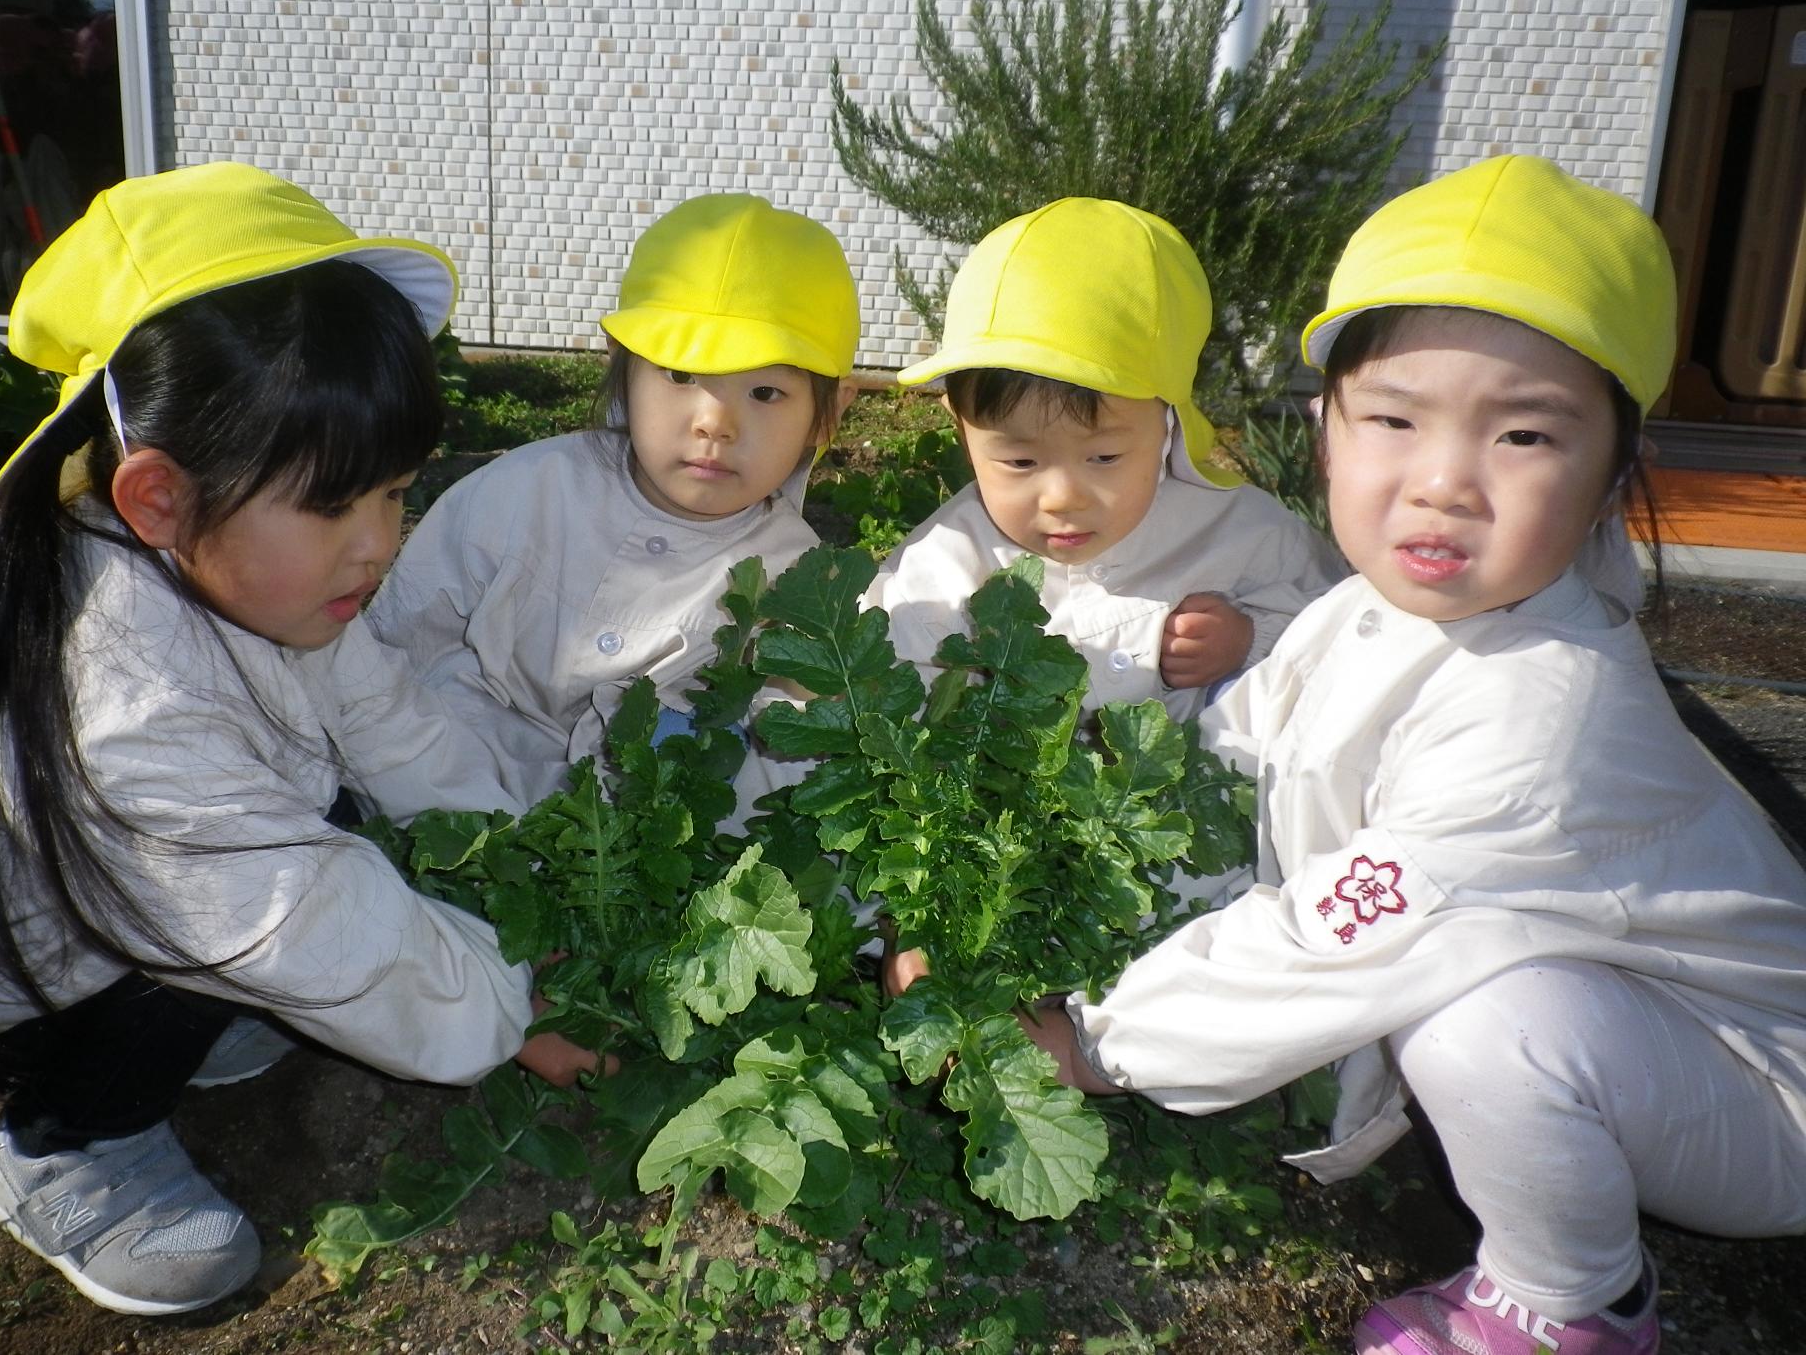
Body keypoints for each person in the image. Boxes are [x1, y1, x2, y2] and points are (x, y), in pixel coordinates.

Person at [998, 155, 1806, 1355]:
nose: (1441, 484)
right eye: (1390, 418)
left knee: (1480, 1023)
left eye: (1522, 433)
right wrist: (1083, 820)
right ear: (1324, 433)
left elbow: (1342, 933)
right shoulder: (1372, 608)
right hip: (1637, 1033)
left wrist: (1091, 1036)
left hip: (1759, 1090)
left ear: (1605, 485)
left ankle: (1569, 1305)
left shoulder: (1548, 714)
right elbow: (1240, 741)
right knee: (1481, 995)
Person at [0, 163, 604, 1318]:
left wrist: (521, 852)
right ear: (158, 497)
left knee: (313, 817)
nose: (378, 543)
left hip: (61, 882)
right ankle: (69, 1150)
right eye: (338, 505)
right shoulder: (128, 716)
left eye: (395, 491)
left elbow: (383, 718)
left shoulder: (232, 560)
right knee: (271, 887)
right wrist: (514, 1004)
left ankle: (183, 1015)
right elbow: (316, 921)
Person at [369, 192, 858, 800]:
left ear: (828, 414)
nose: (714, 422)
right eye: (679, 376)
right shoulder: (521, 492)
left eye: (764, 393)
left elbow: (788, 757)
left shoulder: (802, 588)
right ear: (622, 367)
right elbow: (396, 646)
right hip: (445, 792)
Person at [865, 197, 1345, 724]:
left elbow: (1340, 634)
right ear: (963, 431)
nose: (1062, 497)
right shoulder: (943, 562)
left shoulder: (1249, 535)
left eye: (1104, 456)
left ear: (1168, 426)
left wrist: (1250, 639)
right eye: (1021, 462)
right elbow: (879, 676)